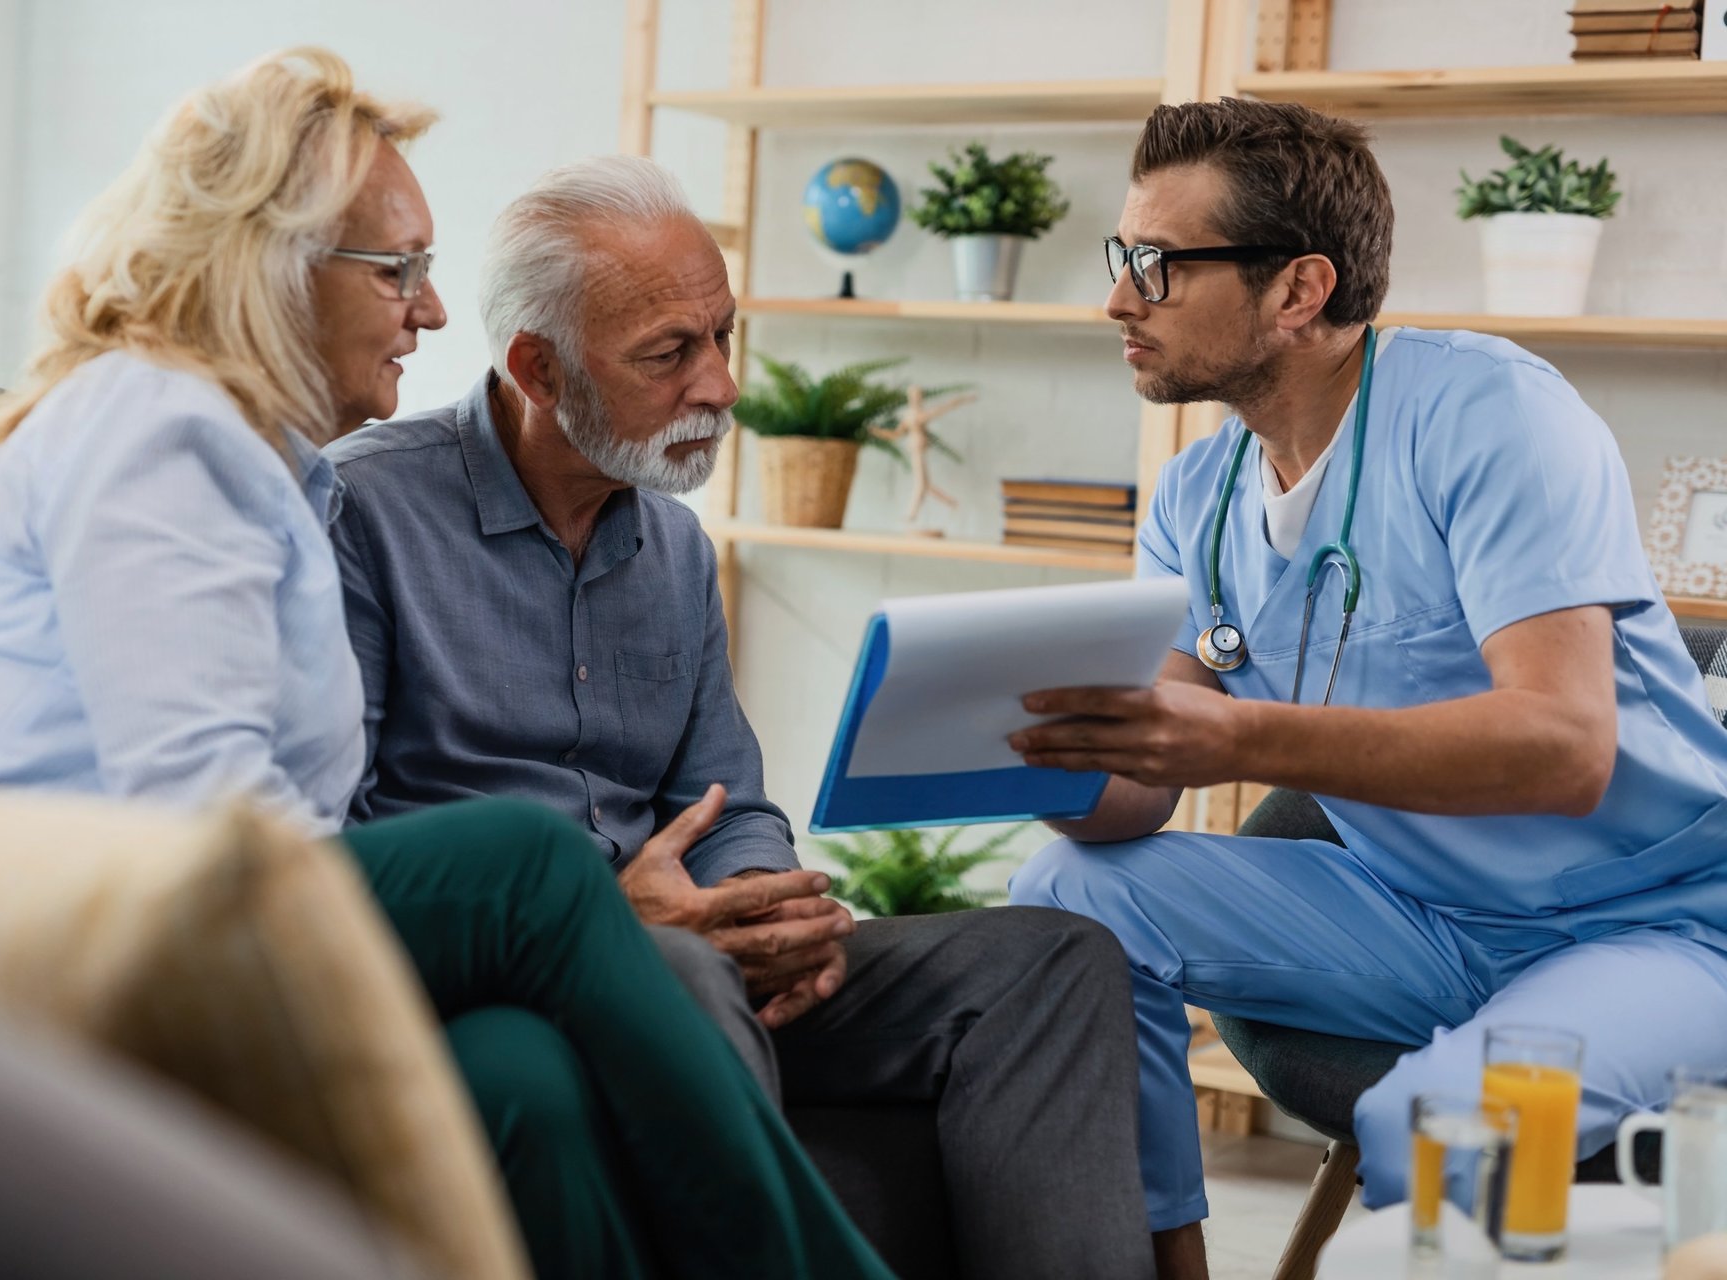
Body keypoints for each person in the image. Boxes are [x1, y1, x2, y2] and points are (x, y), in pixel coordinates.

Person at [0, 49, 896, 1280]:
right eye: (397, 269)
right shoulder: (155, 425)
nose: (435, 311)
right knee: (530, 863)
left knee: (523, 1078)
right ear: (273, 264)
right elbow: (208, 824)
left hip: (138, 916)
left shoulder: (278, 470)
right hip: (27, 943)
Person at [323, 154, 1156, 1280]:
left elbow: (726, 794)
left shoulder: (671, 545)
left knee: (1054, 960)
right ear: (540, 367)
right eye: (670, 353)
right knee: (687, 969)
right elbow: (345, 833)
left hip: (698, 945)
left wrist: (767, 904)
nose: (720, 385)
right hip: (535, 968)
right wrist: (629, 920)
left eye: (724, 336)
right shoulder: (360, 510)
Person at [997, 97, 1727, 1279]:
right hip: (1421, 918)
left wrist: (1234, 733)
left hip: (1663, 923)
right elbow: (1132, 801)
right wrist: (1015, 741)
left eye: (1158, 266)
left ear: (1298, 290)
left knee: (1438, 1126)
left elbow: (1563, 743)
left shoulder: (1491, 415)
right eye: (1120, 260)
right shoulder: (1198, 500)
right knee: (1066, 883)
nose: (1119, 300)